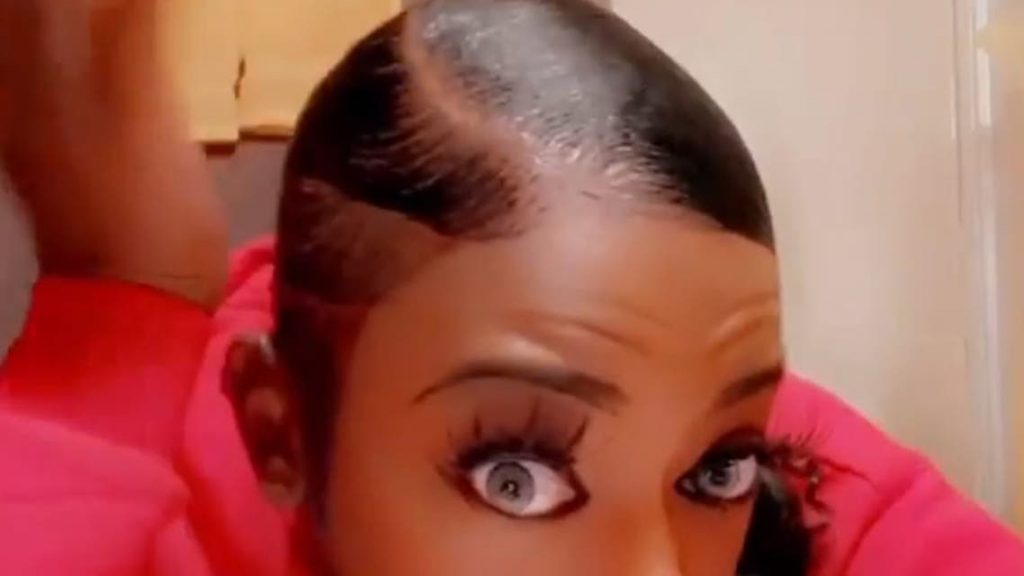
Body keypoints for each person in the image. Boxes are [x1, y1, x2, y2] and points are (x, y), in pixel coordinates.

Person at [1, 0, 1022, 574]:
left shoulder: (691, 396)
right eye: (514, 479)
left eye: (717, 474)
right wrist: (123, 294)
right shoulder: (134, 495)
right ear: (281, 435)